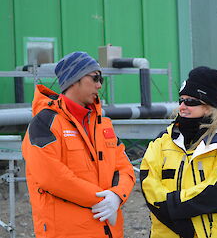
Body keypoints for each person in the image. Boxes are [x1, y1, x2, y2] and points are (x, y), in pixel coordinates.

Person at [22, 51, 136, 238]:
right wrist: (100, 199)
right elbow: (51, 176)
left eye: (102, 79)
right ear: (74, 79)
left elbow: (125, 167)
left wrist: (117, 196)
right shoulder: (45, 123)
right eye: (95, 78)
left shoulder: (103, 125)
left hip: (109, 231)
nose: (99, 85)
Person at [140, 66, 217, 238]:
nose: (182, 106)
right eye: (181, 100)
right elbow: (147, 181)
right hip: (168, 231)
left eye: (191, 101)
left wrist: (173, 207)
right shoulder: (163, 140)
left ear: (208, 106)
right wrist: (179, 223)